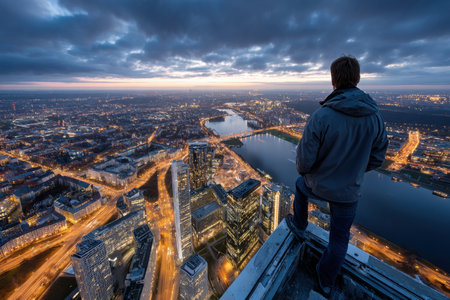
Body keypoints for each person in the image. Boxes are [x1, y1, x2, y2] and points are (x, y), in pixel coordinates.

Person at [286, 55, 388, 297]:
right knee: (340, 240)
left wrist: (316, 173)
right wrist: (354, 170)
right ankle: (326, 280)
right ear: (358, 79)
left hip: (319, 185)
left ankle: (300, 224)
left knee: (300, 186)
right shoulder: (375, 118)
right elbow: (378, 157)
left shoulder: (321, 117)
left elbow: (303, 163)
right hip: (349, 192)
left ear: (333, 81)